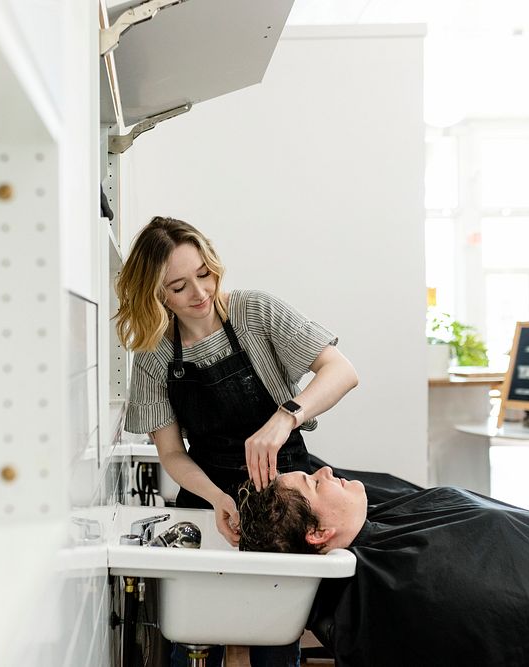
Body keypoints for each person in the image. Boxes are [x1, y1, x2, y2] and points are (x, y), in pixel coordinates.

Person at [116, 216, 361, 666]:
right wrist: (215, 498)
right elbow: (171, 453)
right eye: (178, 287)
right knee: (195, 637)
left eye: (204, 274)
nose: (200, 293)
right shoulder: (154, 355)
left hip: (285, 499)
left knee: (274, 635)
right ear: (156, 294)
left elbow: (342, 371)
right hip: (209, 499)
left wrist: (287, 417)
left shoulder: (254, 313)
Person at [237, 467, 529, 667]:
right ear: (318, 534)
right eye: (313, 481)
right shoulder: (405, 585)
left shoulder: (382, 528)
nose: (327, 472)